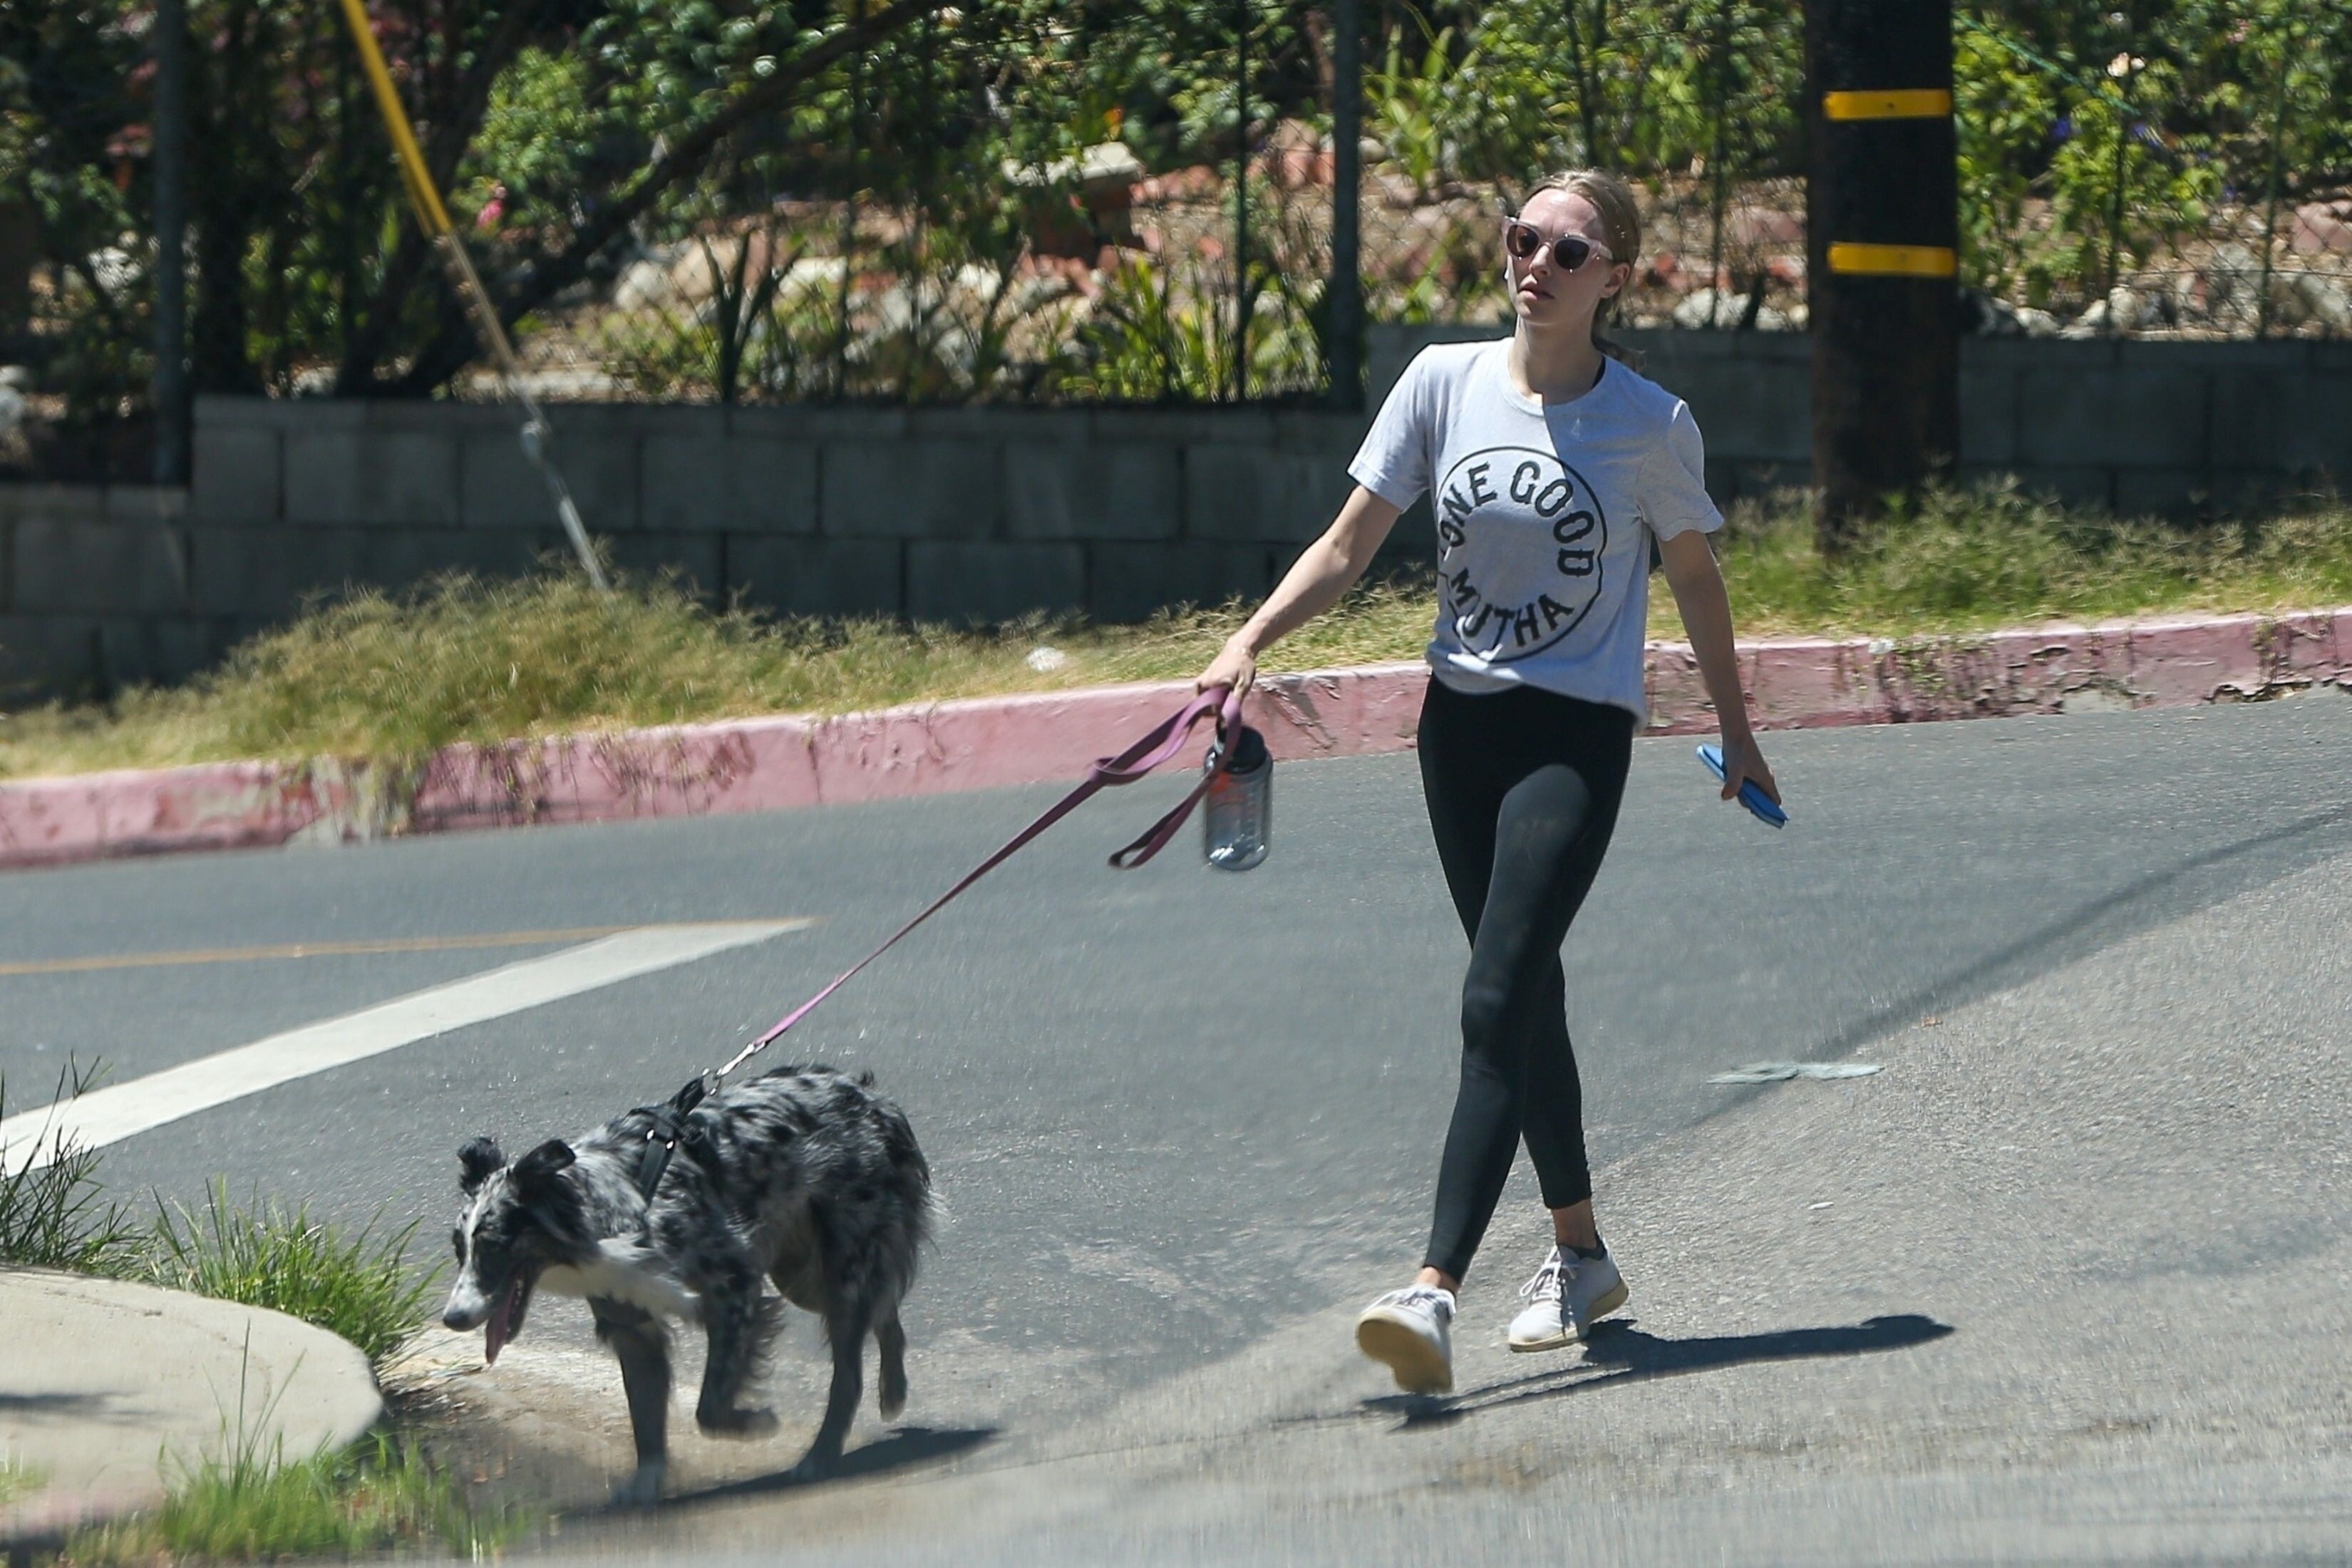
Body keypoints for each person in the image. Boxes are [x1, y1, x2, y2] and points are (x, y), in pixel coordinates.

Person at [1193, 168, 1780, 1395]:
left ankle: (1433, 1287)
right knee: (1525, 993)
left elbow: (1695, 577)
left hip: (1576, 737)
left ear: (1615, 280)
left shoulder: (1649, 424)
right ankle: (1584, 1256)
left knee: (1495, 992)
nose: (1536, 265)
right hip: (1456, 731)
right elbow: (1350, 543)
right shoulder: (1440, 383)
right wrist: (1247, 643)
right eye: (1524, 240)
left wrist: (1738, 728)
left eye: (1570, 253)